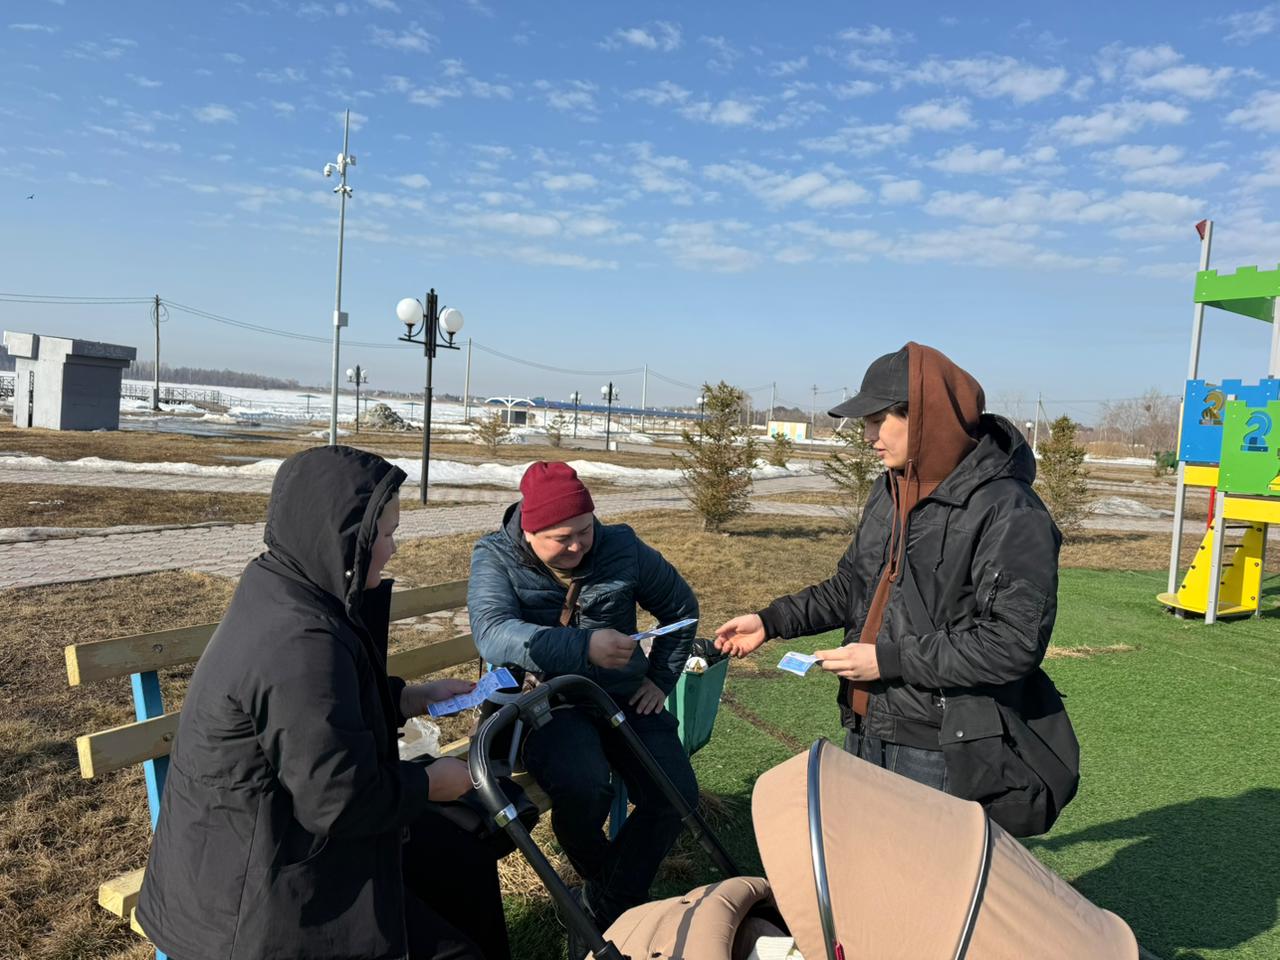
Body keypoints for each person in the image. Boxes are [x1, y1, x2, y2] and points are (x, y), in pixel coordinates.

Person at [137, 446, 510, 960]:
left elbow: (313, 716)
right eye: (385, 534)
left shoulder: (286, 588)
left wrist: (406, 698)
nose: (393, 548)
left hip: (261, 844)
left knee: (460, 856)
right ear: (346, 540)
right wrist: (428, 782)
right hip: (251, 903)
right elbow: (339, 798)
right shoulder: (298, 639)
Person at [715, 343, 1075, 836]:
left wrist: (889, 660)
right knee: (868, 875)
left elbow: (1011, 644)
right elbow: (852, 586)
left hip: (941, 747)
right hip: (867, 725)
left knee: (924, 891)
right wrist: (771, 621)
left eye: (877, 420)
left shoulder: (1008, 510)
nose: (866, 437)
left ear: (926, 418)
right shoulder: (890, 488)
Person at [467, 460, 700, 949]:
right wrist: (582, 647)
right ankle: (617, 901)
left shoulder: (623, 547)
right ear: (528, 530)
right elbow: (491, 633)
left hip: (623, 694)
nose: (576, 545)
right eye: (560, 538)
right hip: (546, 705)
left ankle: (601, 907)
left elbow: (681, 609)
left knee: (675, 794)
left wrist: (660, 679)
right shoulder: (494, 556)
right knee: (584, 786)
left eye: (584, 531)